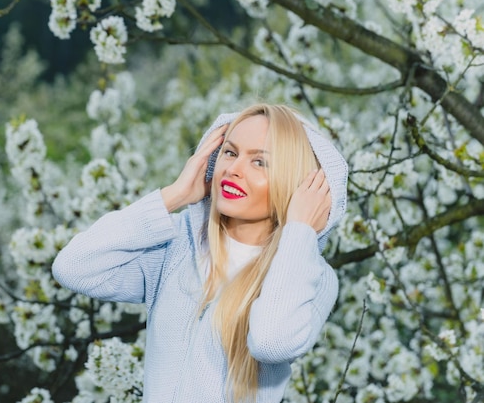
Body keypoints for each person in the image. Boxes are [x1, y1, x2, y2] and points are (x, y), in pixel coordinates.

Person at [52, 103, 348, 403]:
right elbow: (74, 267)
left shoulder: (316, 277)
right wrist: (175, 195)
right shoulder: (177, 245)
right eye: (230, 153)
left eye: (260, 162)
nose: (233, 170)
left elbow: (271, 342)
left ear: (298, 184)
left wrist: (299, 232)